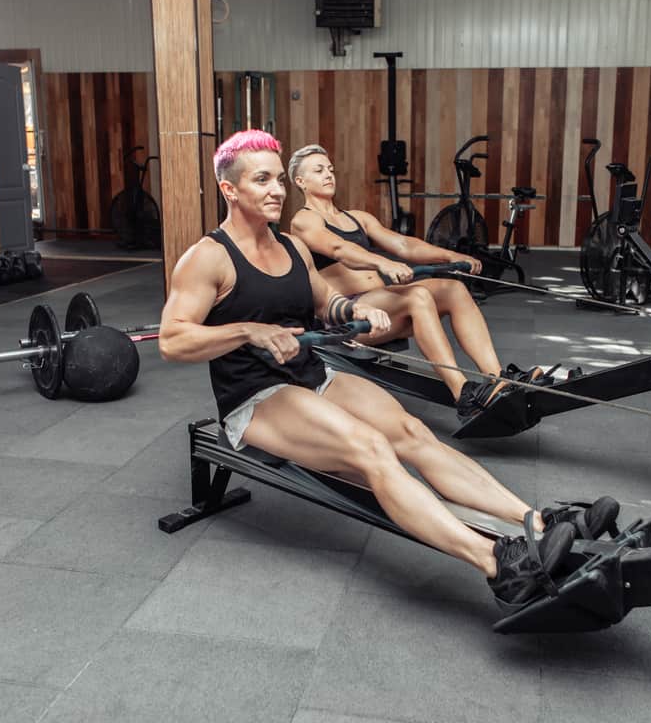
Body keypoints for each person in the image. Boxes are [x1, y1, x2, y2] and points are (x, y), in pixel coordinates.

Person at [158, 130, 620, 608]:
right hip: (257, 397)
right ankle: (501, 565)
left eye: (278, 180)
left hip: (314, 374)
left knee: (413, 432)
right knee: (372, 449)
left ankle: (539, 522)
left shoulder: (291, 247)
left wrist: (355, 315)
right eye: (261, 180)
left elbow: (324, 302)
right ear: (230, 189)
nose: (276, 190)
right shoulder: (208, 257)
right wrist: (245, 331)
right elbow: (173, 340)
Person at [286, 143, 550, 423]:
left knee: (453, 289)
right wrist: (382, 263)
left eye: (330, 169)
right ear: (300, 181)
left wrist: (451, 255)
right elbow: (338, 249)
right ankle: (463, 394)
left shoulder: (357, 218)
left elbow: (404, 245)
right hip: (349, 319)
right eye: (318, 170)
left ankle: (498, 378)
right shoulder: (304, 221)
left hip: (385, 308)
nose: (328, 174)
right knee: (418, 296)